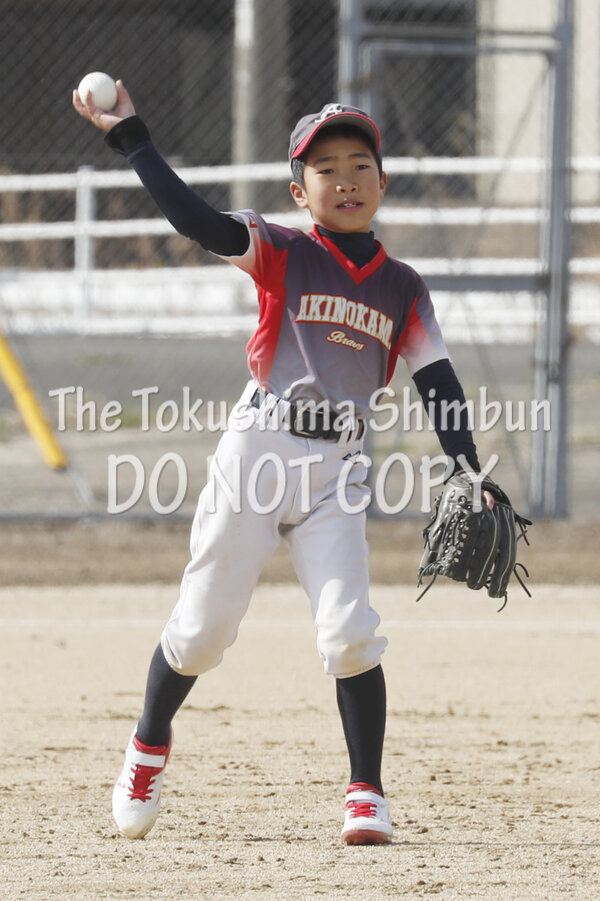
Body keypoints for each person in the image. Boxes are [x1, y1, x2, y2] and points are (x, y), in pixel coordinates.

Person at [73, 82, 492, 846]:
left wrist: (466, 465)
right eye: (325, 169)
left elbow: (438, 380)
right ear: (301, 192)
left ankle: (366, 792)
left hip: (339, 467)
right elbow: (197, 222)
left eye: (359, 165)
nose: (346, 180)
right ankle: (147, 745)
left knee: (350, 631)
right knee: (201, 633)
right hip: (259, 450)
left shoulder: (403, 287)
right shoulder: (283, 250)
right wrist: (131, 137)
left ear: (382, 182)